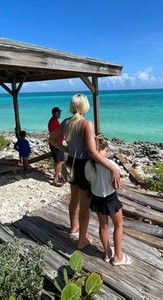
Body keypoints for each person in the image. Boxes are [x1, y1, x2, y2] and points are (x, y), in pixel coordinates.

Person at [49, 93, 120, 250]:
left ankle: (73, 227)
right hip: (83, 167)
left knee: (74, 199)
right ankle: (82, 240)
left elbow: (52, 139)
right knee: (85, 205)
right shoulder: (86, 123)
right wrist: (113, 168)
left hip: (70, 164)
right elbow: (93, 152)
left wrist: (67, 149)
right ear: (85, 106)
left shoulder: (66, 122)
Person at [85, 136, 132, 266]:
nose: (108, 152)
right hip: (110, 198)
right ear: (104, 150)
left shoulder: (88, 164)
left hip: (97, 198)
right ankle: (118, 256)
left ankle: (107, 253)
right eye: (107, 150)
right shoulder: (112, 165)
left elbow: (89, 182)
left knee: (103, 226)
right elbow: (116, 185)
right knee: (118, 225)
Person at [48, 107, 65, 186]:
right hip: (56, 144)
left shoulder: (55, 121)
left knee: (61, 161)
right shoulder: (53, 121)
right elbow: (54, 134)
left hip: (58, 144)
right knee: (58, 161)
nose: (60, 114)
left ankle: (59, 176)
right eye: (59, 113)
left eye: (60, 112)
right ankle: (55, 180)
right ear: (54, 113)